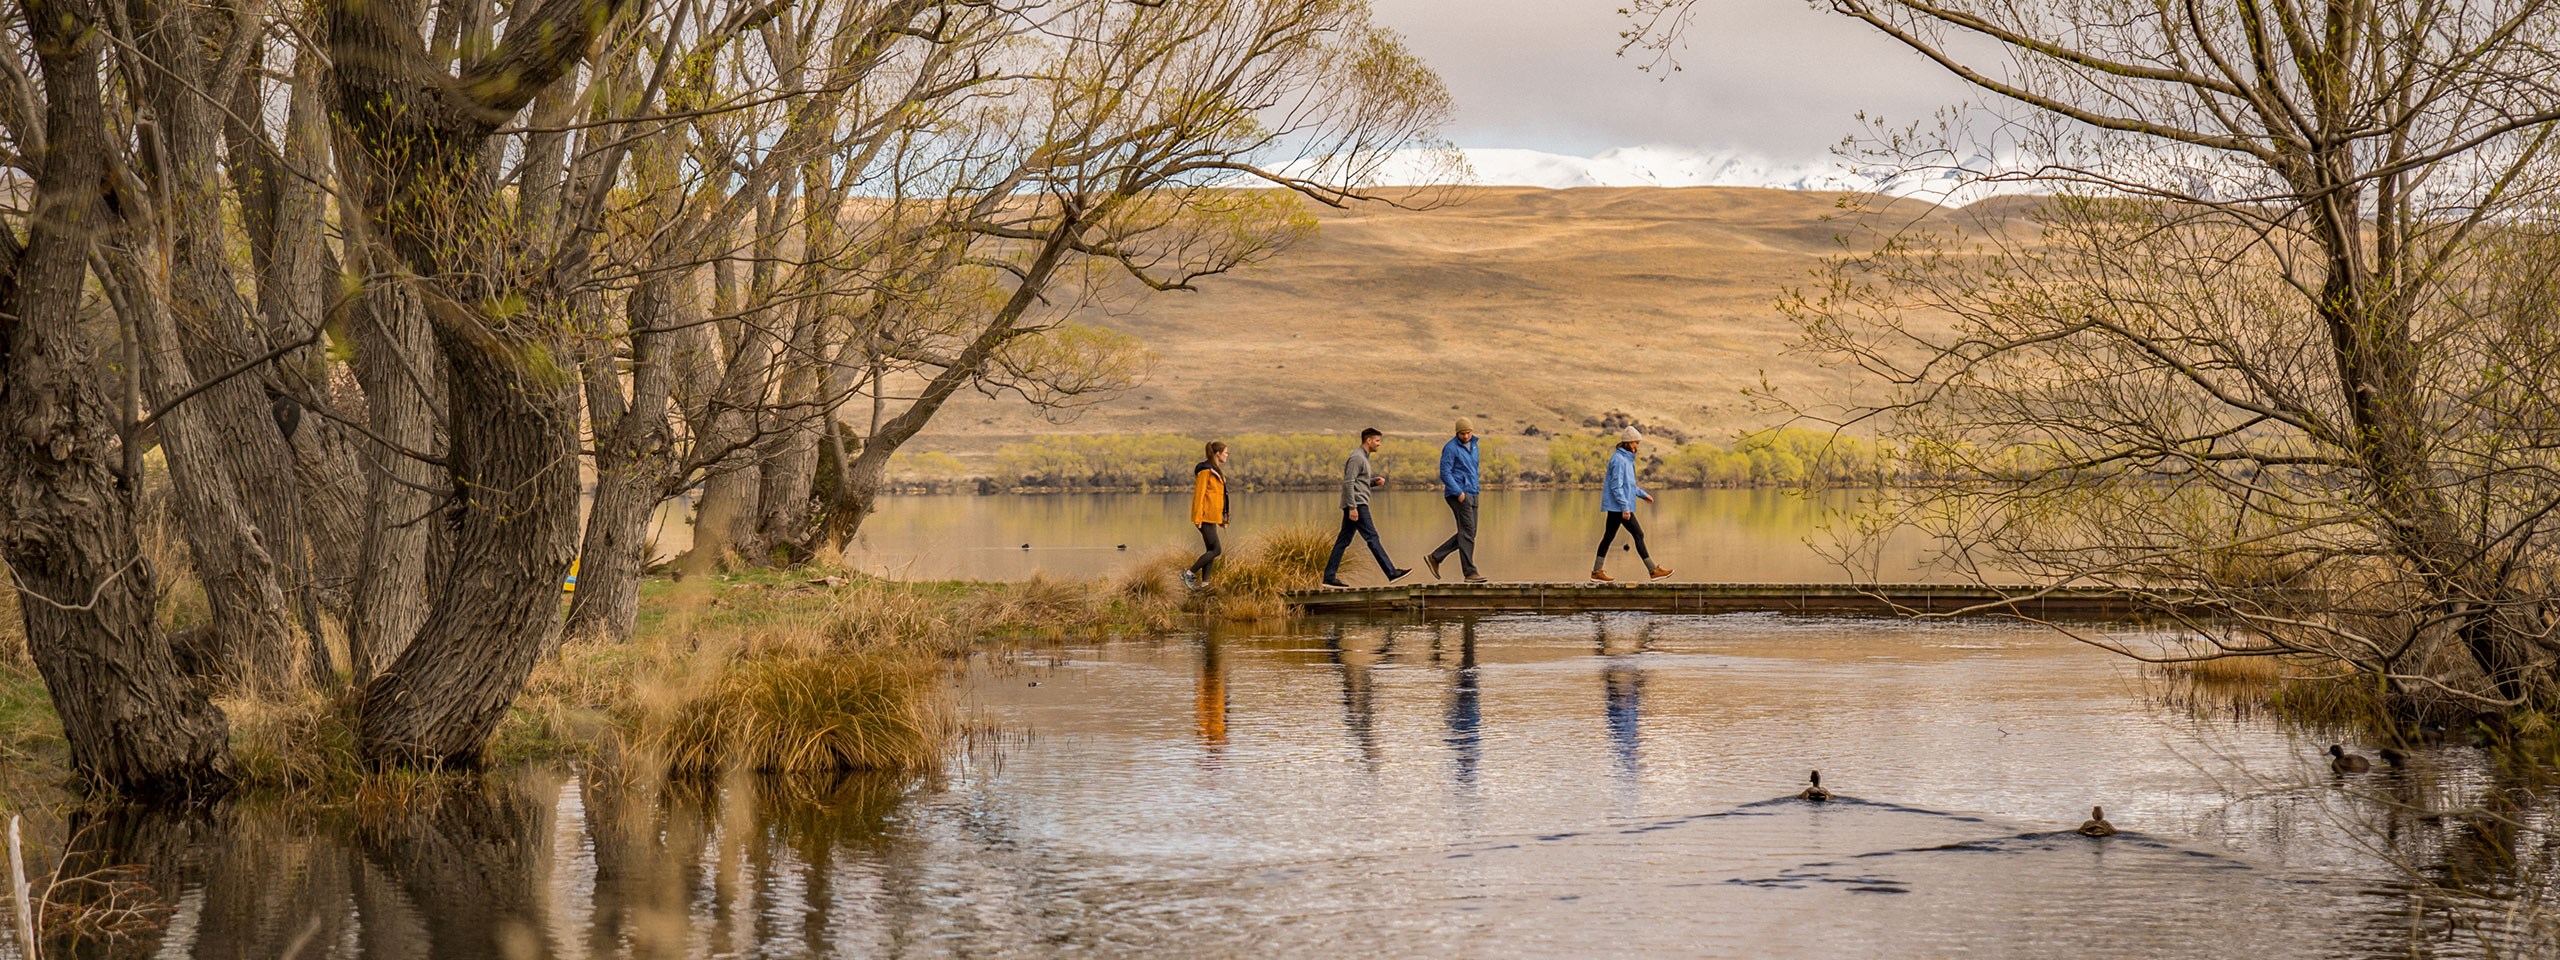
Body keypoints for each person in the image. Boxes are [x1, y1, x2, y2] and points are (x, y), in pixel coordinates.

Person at [1323, 427, 1410, 588]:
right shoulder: (1357, 458)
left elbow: (1358, 483)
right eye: (1377, 440)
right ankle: (1391, 572)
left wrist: (1373, 482)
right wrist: (1352, 507)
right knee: (1372, 538)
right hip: (1358, 505)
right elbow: (1348, 483)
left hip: (1357, 503)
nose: (1379, 444)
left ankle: (1329, 576)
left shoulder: (1363, 457)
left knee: (1344, 540)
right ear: (1368, 440)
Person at [1593, 426, 1672, 582]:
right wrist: (1625, 507)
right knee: (1638, 534)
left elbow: (1629, 485)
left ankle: (1596, 572)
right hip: (1619, 507)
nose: (1637, 446)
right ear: (1628, 443)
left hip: (1620, 506)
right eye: (1636, 443)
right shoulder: (1618, 460)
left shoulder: (1627, 460)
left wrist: (1643, 495)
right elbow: (1616, 487)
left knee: (1609, 537)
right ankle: (1653, 571)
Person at [1426, 418, 1486, 582]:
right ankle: (1470, 573)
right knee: (1467, 532)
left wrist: (1475, 489)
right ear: (1457, 433)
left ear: (1472, 432)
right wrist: (1459, 493)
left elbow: (1474, 468)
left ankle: (1436, 557)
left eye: (1468, 433)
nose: (1465, 436)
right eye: (1462, 433)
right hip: (1458, 495)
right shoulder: (1450, 448)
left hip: (1473, 493)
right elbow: (1445, 473)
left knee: (1470, 533)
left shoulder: (1474, 446)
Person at [1183, 441, 1230, 588]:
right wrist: (1197, 518)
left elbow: (1218, 497)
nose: (1227, 455)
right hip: (1204, 517)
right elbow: (1199, 495)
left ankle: (1205, 583)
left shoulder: (1216, 470)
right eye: (1225, 452)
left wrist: (1221, 519)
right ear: (1217, 453)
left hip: (1212, 517)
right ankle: (1189, 573)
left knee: (1211, 550)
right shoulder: (1205, 471)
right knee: (1216, 550)